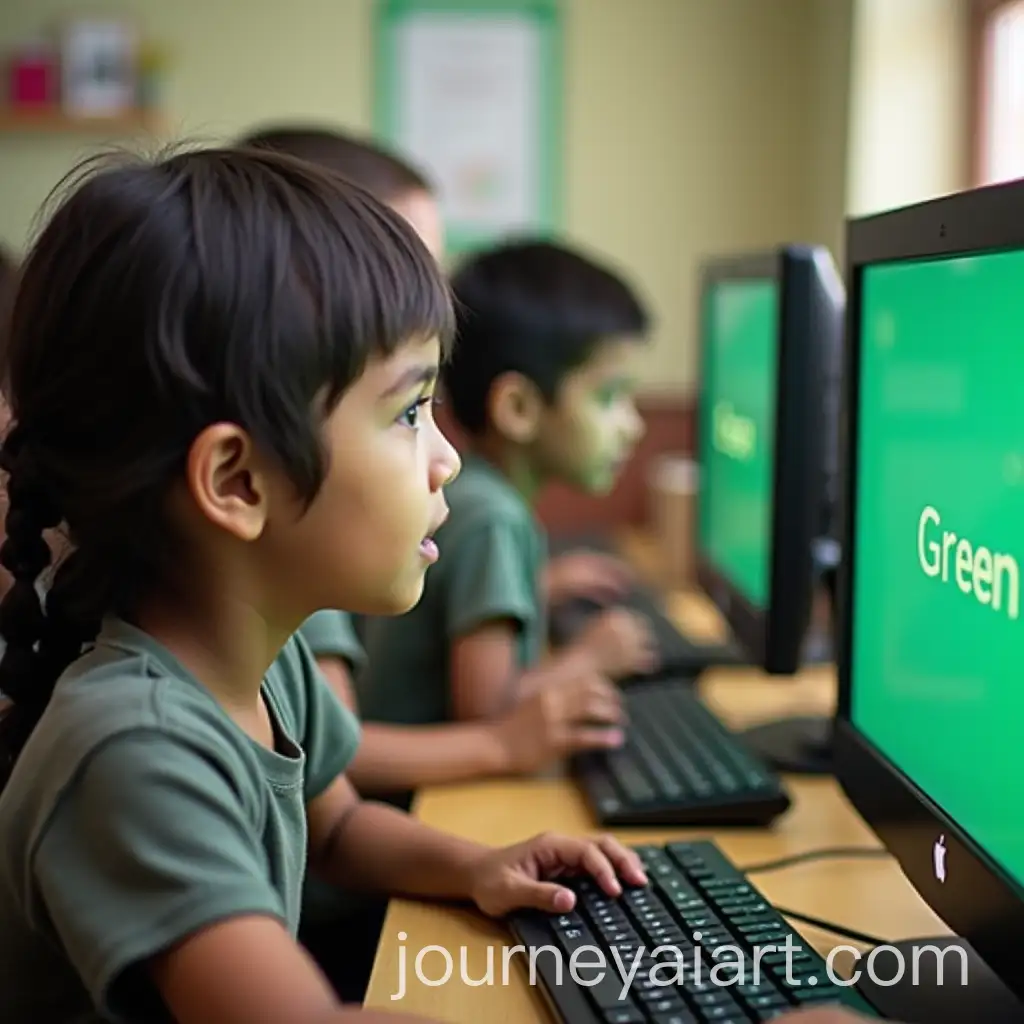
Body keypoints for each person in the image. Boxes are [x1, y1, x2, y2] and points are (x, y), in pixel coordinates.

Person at [0, 147, 652, 1024]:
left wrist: (474, 866)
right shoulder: (132, 749)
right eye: (409, 413)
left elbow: (340, 830)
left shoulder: (265, 659)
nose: (447, 458)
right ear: (238, 483)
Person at [354, 239, 660, 800]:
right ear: (518, 408)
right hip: (413, 807)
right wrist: (590, 659)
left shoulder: (473, 497)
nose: (632, 426)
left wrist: (534, 589)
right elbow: (489, 710)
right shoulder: (493, 518)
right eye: (609, 396)